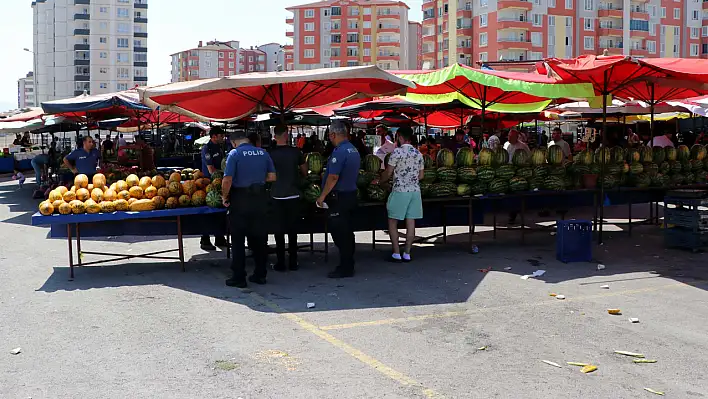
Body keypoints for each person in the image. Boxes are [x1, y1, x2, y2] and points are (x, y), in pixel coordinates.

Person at [222, 130, 277, 288]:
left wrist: (225, 197)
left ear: (234, 142)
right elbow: (273, 177)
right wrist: (258, 179)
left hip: (241, 200)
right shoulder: (263, 152)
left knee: (238, 240)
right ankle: (260, 274)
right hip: (260, 199)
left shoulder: (234, 154)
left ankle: (239, 277)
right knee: (260, 238)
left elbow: (227, 180)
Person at [316, 120, 361, 278]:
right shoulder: (353, 149)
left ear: (333, 134)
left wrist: (322, 196)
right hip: (350, 196)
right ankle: (348, 263)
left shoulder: (340, 152)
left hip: (339, 198)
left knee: (340, 233)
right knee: (348, 232)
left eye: (330, 135)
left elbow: (334, 177)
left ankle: (345, 266)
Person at [379, 126, 424, 263]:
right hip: (415, 192)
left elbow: (388, 173)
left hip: (400, 191)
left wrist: (380, 181)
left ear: (399, 137)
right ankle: (407, 253)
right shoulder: (418, 154)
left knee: (393, 222)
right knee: (411, 222)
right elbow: (421, 176)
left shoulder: (397, 153)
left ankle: (396, 253)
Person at [269, 125, 308, 272]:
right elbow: (305, 171)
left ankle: (280, 263)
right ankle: (293, 262)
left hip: (276, 195)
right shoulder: (296, 152)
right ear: (286, 135)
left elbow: (268, 175)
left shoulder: (270, 154)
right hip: (293, 194)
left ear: (275, 136)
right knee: (292, 230)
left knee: (279, 231)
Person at [199, 127, 228, 251]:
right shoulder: (207, 148)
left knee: (220, 211)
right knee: (208, 212)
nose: (223, 138)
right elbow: (211, 169)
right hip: (209, 184)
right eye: (221, 136)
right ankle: (205, 239)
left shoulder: (221, 147)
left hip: (220, 182)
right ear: (214, 136)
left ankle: (220, 238)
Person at [504, 130, 530, 224]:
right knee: (511, 194)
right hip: (509, 172)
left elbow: (529, 158)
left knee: (518, 194)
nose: (508, 138)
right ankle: (512, 212)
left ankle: (516, 212)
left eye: (511, 136)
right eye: (508, 136)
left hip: (520, 173)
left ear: (516, 137)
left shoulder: (523, 146)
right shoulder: (506, 145)